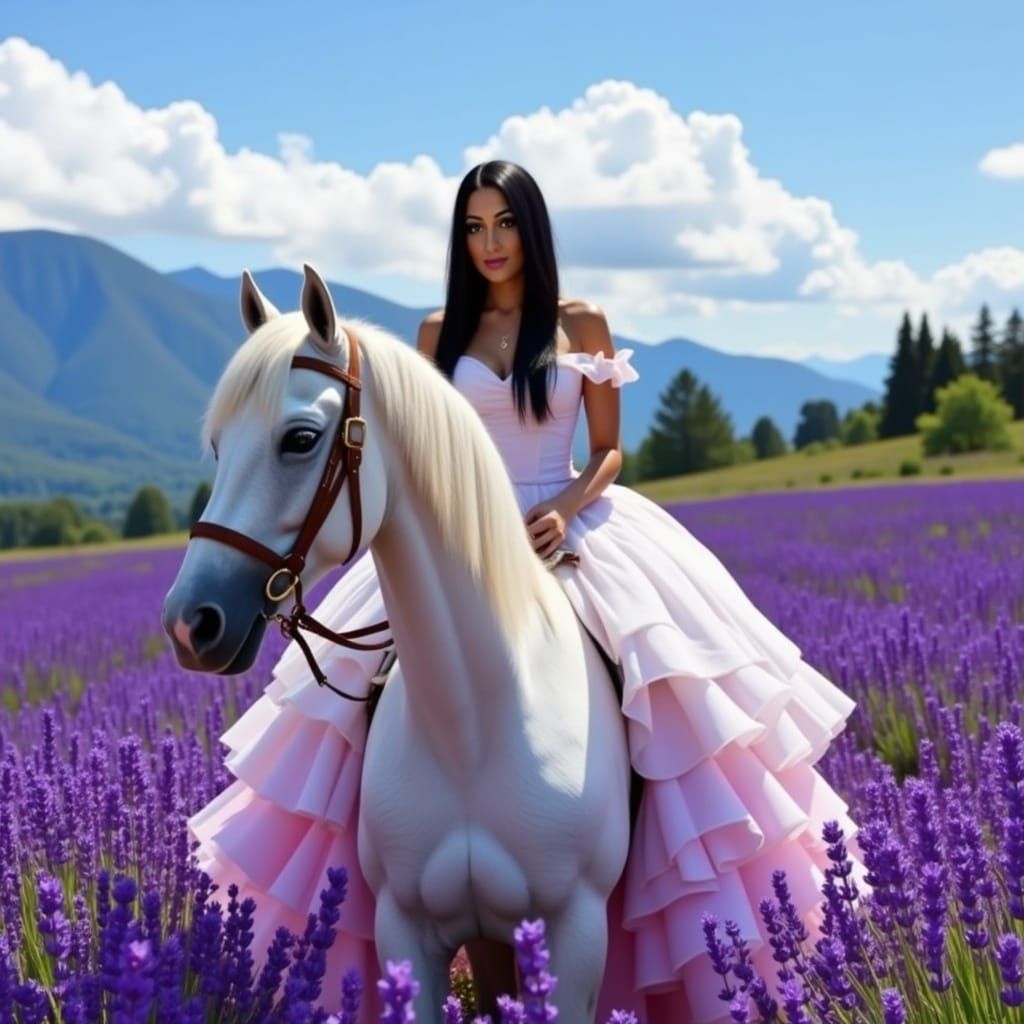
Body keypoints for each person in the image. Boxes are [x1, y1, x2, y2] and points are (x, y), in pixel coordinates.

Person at [191, 161, 857, 1023]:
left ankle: (644, 846)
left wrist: (564, 505)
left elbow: (612, 452)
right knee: (346, 697)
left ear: (530, 229)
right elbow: (421, 453)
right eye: (473, 227)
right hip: (461, 534)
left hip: (564, 524)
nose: (490, 244)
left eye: (503, 224)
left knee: (664, 688)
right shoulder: (440, 333)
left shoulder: (578, 322)